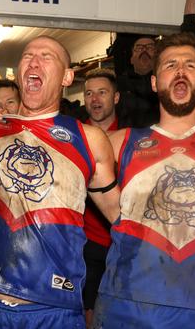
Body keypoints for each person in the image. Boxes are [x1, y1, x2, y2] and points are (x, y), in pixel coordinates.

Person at [0, 36, 120, 328]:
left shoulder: (89, 140)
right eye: (27, 55)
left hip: (53, 311)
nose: (34, 61)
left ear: (67, 77)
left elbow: (120, 216)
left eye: (47, 56)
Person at [92, 32, 195, 328]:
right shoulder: (120, 142)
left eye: (190, 65)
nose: (180, 71)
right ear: (154, 83)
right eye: (169, 65)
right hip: (126, 304)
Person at [80, 68, 119, 327]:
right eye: (89, 93)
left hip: (122, 244)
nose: (95, 99)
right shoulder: (73, 138)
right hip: (84, 246)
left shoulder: (133, 140)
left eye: (102, 93)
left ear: (116, 98)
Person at [115, 37, 160, 128]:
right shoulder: (118, 86)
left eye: (150, 47)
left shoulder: (166, 83)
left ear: (158, 58)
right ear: (131, 59)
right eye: (139, 48)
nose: (144, 50)